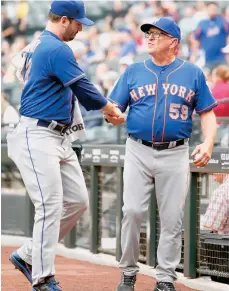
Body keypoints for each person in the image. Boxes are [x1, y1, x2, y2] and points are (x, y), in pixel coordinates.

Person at [7, 1, 125, 291]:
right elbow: (83, 88)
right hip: (37, 133)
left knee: (77, 201)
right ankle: (43, 278)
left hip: (58, 135)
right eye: (77, 22)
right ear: (62, 20)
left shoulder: (40, 46)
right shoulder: (55, 47)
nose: (81, 27)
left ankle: (28, 255)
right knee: (49, 206)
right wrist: (109, 108)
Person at [104, 17, 218, 291]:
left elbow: (208, 113)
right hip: (138, 149)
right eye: (149, 33)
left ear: (174, 42)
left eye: (158, 33)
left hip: (175, 152)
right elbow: (112, 107)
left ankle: (165, 278)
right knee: (131, 211)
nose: (150, 37)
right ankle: (128, 271)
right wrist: (113, 115)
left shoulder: (192, 73)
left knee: (172, 219)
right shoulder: (133, 71)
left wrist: (209, 142)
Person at [191, 1, 229, 70]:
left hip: (221, 57)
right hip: (207, 57)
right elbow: (196, 39)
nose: (212, 10)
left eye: (214, 9)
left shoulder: (223, 21)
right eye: (211, 8)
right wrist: (194, 54)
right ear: (206, 9)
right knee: (207, 78)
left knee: (224, 77)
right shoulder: (202, 23)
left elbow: (228, 36)